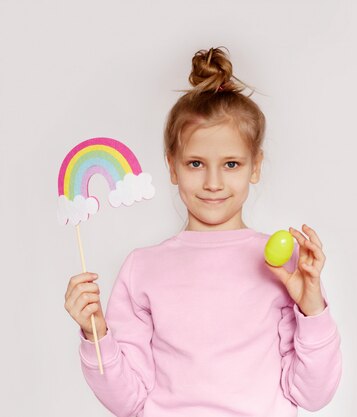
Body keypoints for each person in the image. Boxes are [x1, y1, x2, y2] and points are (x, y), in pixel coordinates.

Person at [63, 46, 342, 417]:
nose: (213, 182)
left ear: (254, 167)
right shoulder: (142, 267)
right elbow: (126, 401)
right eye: (196, 163)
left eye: (231, 163)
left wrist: (313, 309)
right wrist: (96, 334)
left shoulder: (287, 267)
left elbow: (313, 395)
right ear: (172, 166)